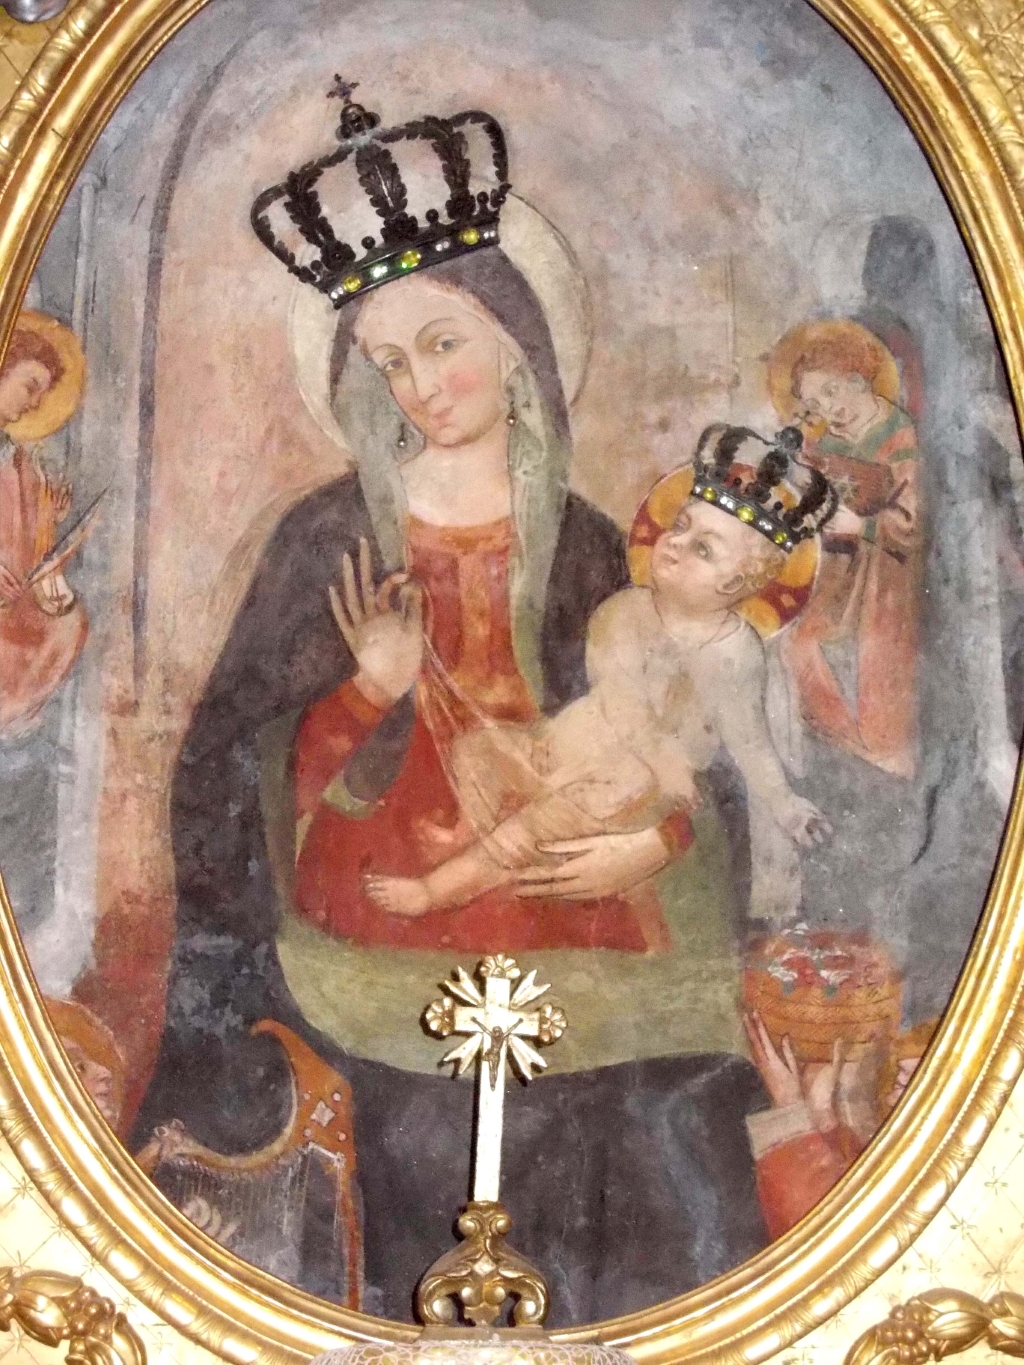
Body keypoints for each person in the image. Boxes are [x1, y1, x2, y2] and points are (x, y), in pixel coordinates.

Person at [362, 430, 830, 920]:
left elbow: (750, 740)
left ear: (736, 582)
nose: (674, 544)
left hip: (630, 782)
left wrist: (786, 806)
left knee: (528, 828)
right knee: (475, 752)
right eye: (680, 526)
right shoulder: (622, 612)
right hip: (563, 746)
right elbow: (618, 699)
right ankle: (469, 836)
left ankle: (435, 890)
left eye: (704, 550)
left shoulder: (736, 654)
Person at [769, 319, 922, 779]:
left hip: (888, 575)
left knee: (876, 654)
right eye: (815, 404)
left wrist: (863, 524)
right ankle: (849, 745)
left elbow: (913, 522)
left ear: (859, 380)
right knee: (799, 644)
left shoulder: (898, 434)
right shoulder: (828, 442)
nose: (828, 410)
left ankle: (885, 750)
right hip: (841, 571)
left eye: (832, 392)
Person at [0, 315, 88, 737]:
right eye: (30, 386)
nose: (34, 403)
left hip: (11, 607)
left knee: (71, 621)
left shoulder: (23, 464)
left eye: (41, 393)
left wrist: (50, 517)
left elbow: (26, 542)